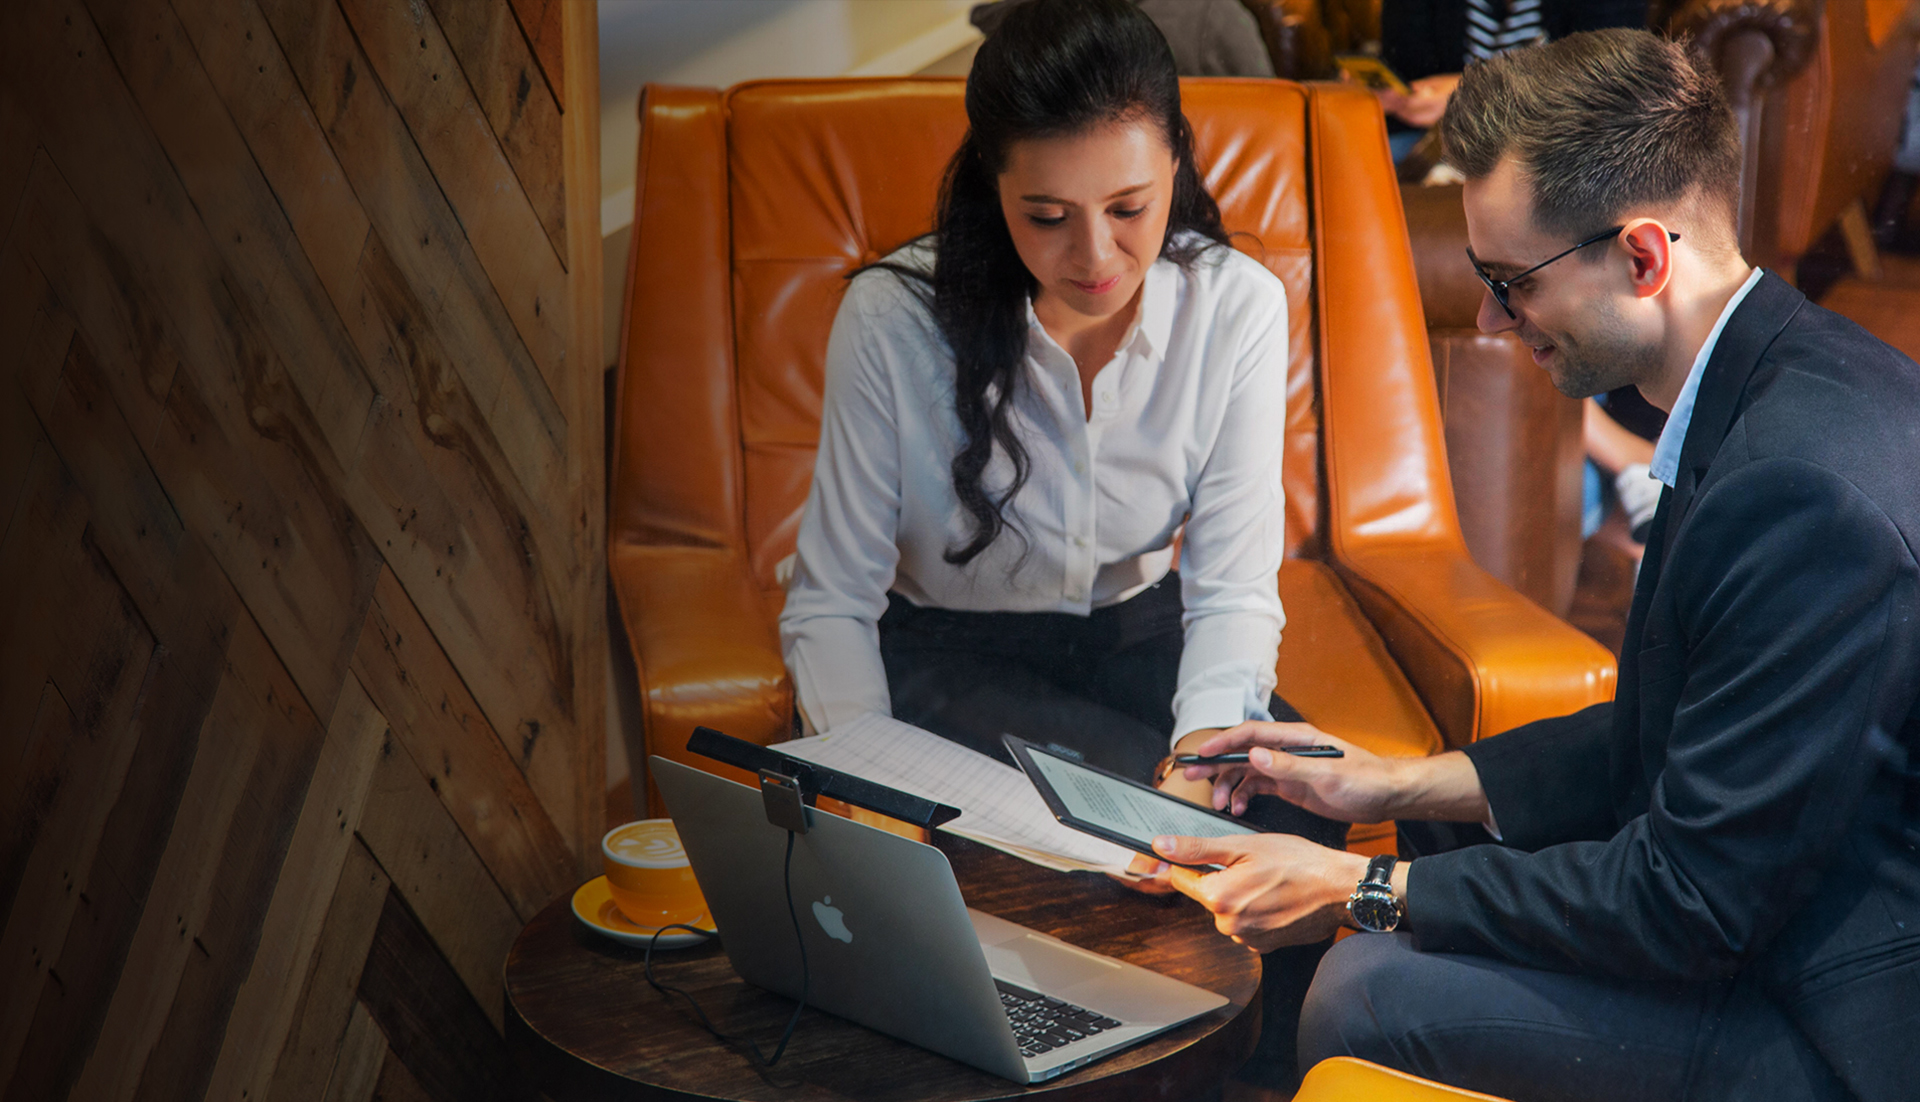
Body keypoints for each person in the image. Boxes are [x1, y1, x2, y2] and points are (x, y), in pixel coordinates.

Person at [1135, 28, 1920, 1102]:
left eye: (1513, 283)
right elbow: (1697, 724)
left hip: (1839, 1018)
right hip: (1775, 901)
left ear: (1643, 257)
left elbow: (1690, 899)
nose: (1498, 321)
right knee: (1415, 858)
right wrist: (1398, 779)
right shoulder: (1786, 375)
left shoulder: (1798, 493)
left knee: (1365, 989)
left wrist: (1364, 885)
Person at [778, 0, 1341, 1084]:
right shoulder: (892, 322)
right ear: (994, 186)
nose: (1095, 254)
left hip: (1146, 632)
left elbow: (1228, 590)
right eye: (1046, 216)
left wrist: (1201, 759)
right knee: (1127, 855)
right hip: (950, 655)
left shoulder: (1236, 306)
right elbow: (831, 602)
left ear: (1177, 160)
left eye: (1130, 207)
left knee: (1296, 833)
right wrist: (862, 787)